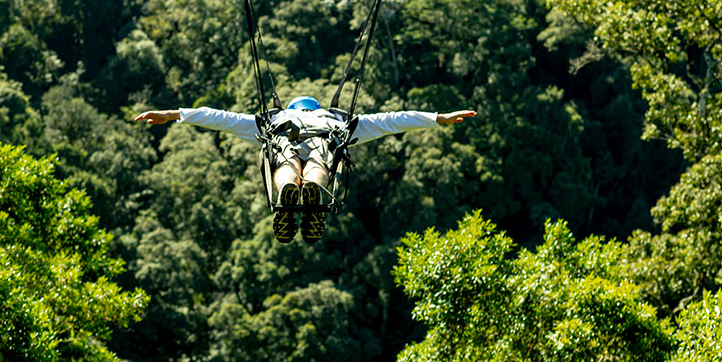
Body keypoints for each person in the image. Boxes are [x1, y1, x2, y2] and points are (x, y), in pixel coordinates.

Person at [134, 97, 476, 244]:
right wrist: (437, 119)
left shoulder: (271, 119)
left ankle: (287, 194)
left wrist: (174, 114)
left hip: (283, 137)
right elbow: (394, 120)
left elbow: (218, 117)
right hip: (325, 140)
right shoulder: (338, 120)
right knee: (319, 164)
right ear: (317, 107)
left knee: (284, 163)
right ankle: (312, 188)